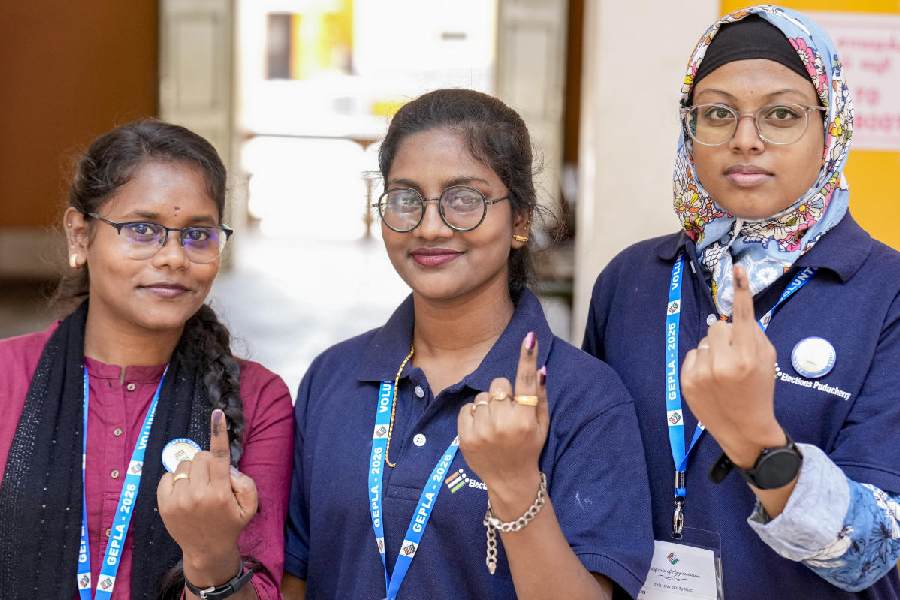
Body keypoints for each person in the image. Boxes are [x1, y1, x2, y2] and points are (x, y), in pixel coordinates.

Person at [281, 88, 653, 599]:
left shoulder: (585, 398)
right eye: (407, 199)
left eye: (464, 199)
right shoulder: (335, 375)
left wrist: (516, 484)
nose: (430, 227)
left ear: (519, 220)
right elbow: (295, 577)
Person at [582, 6, 900, 598]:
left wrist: (758, 440)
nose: (745, 139)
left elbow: (874, 556)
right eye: (718, 113)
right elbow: (594, 489)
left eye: (782, 114)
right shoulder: (631, 280)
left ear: (831, 127)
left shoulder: (886, 293)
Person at [0, 120, 293, 600]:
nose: (175, 257)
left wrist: (209, 556)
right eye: (142, 229)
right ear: (80, 235)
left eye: (199, 235)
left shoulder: (258, 399)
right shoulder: (7, 377)